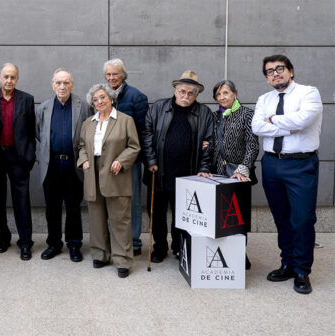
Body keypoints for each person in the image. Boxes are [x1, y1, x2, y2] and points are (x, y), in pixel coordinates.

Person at [251, 55, 322, 294]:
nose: (275, 73)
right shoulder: (264, 99)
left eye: (279, 68)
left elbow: (303, 120)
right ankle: (288, 263)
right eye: (269, 71)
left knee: (301, 219)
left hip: (301, 165)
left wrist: (273, 120)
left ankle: (302, 270)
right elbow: (256, 127)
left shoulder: (308, 93)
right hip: (272, 164)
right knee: (282, 218)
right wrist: (287, 124)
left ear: (290, 71)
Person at [143, 70, 213, 263]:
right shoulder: (159, 107)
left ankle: (178, 247)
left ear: (197, 95)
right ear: (175, 91)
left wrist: (205, 167)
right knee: (156, 213)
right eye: (182, 91)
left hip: (187, 174)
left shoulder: (204, 112)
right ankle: (159, 247)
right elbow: (147, 133)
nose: (186, 96)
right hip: (158, 172)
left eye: (191, 93)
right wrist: (150, 161)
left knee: (181, 215)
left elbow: (209, 142)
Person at [78, 84, 140, 278]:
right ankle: (100, 254)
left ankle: (122, 260)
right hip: (92, 175)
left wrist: (121, 161)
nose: (99, 102)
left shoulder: (125, 120)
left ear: (111, 99)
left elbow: (134, 147)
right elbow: (81, 146)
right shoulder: (88, 122)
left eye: (103, 97)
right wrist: (84, 160)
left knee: (120, 220)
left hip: (115, 174)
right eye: (95, 99)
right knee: (96, 218)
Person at [36, 68, 93, 262]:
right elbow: (39, 133)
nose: (62, 86)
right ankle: (53, 243)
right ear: (53, 85)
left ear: (72, 85)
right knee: (52, 207)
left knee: (73, 206)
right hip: (51, 164)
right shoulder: (43, 108)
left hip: (73, 165)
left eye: (66, 82)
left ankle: (74, 244)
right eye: (58, 83)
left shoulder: (83, 106)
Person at [210, 80, 259, 270]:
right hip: (217, 172)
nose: (222, 97)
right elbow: (211, 142)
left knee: (237, 216)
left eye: (226, 93)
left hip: (238, 174)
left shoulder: (247, 114)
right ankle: (223, 252)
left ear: (235, 94)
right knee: (219, 215)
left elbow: (252, 144)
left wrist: (244, 167)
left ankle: (240, 253)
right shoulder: (215, 117)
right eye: (218, 95)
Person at [0, 63, 36, 260]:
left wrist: (29, 156)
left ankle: (25, 242)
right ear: (0, 77)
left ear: (17, 79)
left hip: (18, 157)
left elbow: (32, 129)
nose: (9, 80)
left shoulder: (27, 99)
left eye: (13, 77)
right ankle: (3, 238)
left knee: (22, 201)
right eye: (6, 76)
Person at [104, 58, 148, 256]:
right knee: (111, 200)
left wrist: (129, 157)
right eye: (108, 74)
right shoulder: (103, 95)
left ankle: (135, 242)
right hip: (106, 161)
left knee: (132, 201)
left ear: (123, 75)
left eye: (115, 74)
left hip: (130, 161)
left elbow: (142, 132)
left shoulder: (136, 97)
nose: (112, 78)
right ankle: (116, 240)